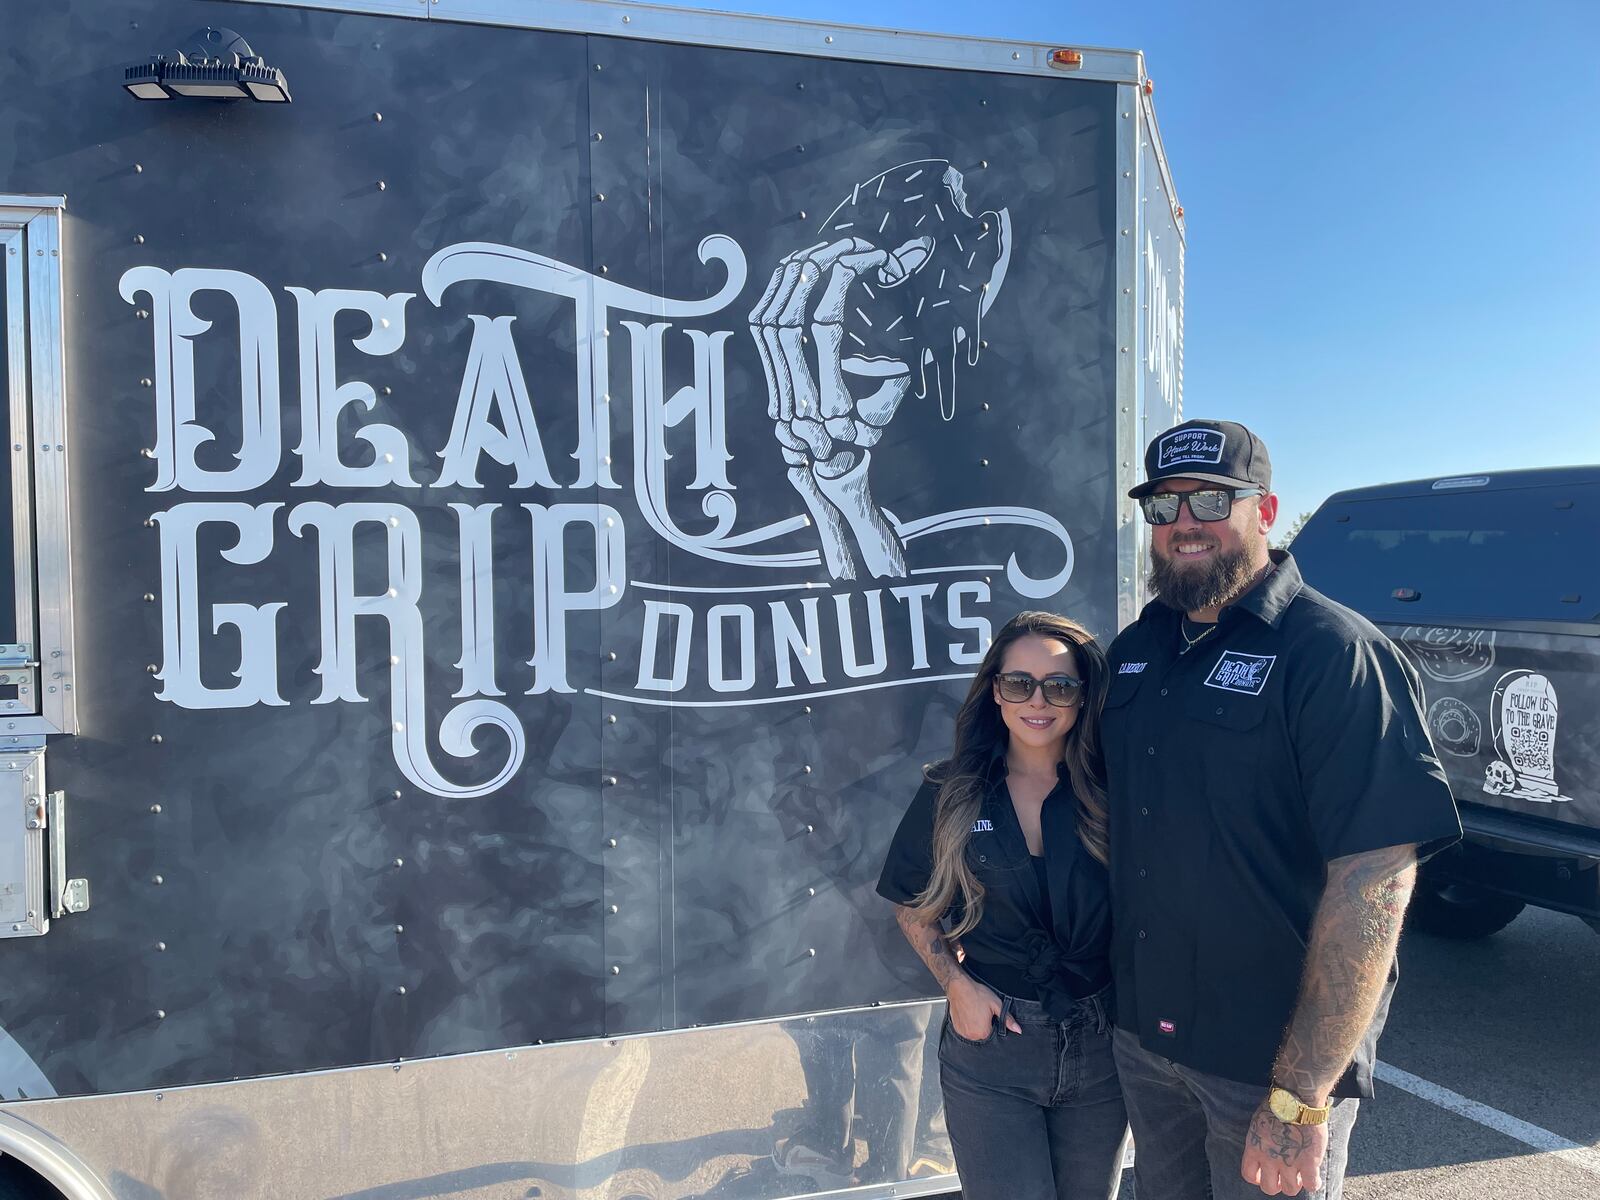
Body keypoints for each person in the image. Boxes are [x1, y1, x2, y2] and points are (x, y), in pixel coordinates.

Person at [1101, 419, 1461, 1199]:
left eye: (1209, 499)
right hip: (1147, 1047)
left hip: (1263, 1073)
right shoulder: (1136, 650)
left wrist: (1299, 1096)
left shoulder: (1331, 654)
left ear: (1264, 513)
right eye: (1163, 505)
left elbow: (1375, 879)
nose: (1183, 523)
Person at [877, 611, 1128, 1200]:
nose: (1037, 701)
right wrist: (955, 984)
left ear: (1083, 696)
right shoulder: (952, 790)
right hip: (993, 1047)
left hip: (1103, 1043)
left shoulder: (1114, 790)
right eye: (1019, 683)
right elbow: (912, 905)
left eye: (1060, 685)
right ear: (995, 691)